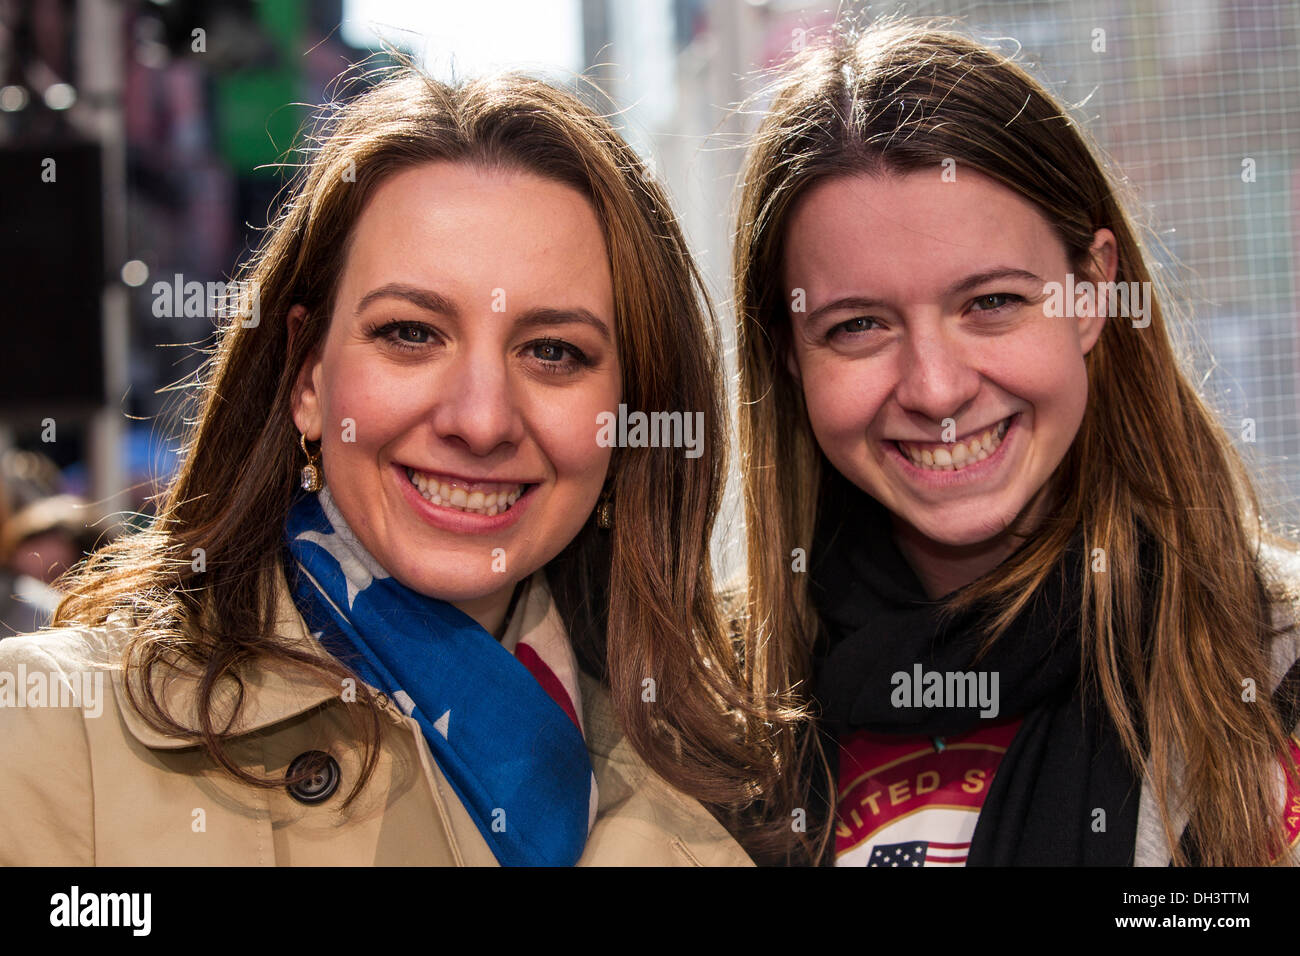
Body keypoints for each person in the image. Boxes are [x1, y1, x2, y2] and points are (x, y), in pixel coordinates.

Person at [0, 66, 771, 866]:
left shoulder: (713, 812)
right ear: (307, 376)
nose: (480, 421)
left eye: (553, 351)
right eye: (411, 333)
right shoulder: (50, 737)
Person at [732, 20, 1300, 866]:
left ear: (1094, 290)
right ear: (789, 354)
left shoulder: (1276, 664)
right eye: (857, 325)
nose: (935, 388)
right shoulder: (709, 713)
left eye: (992, 303)